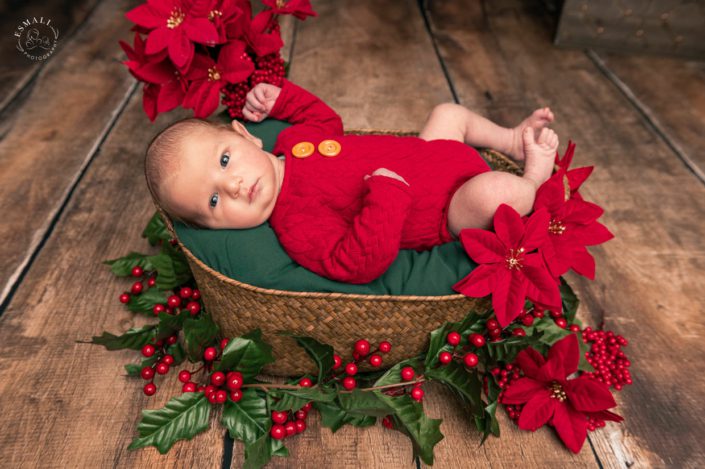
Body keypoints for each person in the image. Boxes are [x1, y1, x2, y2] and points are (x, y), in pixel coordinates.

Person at [145, 79, 558, 284]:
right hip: (446, 207)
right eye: (214, 202)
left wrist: (282, 99)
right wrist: (388, 198)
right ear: (211, 227)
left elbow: (328, 123)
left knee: (448, 113)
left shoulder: (294, 141)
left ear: (245, 135)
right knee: (495, 192)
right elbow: (358, 263)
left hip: (430, 152)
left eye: (224, 160)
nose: (233, 185)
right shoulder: (295, 225)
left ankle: (509, 140)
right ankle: (534, 177)